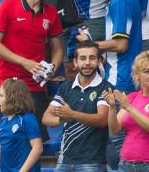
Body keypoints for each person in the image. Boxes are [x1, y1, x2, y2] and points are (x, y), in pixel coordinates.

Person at [0, 0, 64, 155]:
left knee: (34, 142)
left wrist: (52, 67)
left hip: (35, 86)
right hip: (5, 82)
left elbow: (58, 49)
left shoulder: (51, 13)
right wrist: (25, 62)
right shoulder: (8, 6)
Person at [43, 41, 111, 172]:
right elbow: (46, 118)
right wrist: (61, 120)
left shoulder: (105, 87)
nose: (87, 63)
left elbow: (102, 120)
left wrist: (71, 114)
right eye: (82, 58)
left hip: (92, 162)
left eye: (92, 58)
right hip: (64, 161)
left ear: (99, 61)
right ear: (75, 62)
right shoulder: (66, 87)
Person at [105, 51, 149, 172]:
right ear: (136, 75)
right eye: (147, 71)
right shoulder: (132, 97)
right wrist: (112, 108)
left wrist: (129, 107)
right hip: (126, 163)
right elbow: (115, 129)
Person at [82, 0, 141, 94]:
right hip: (124, 74)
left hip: (121, 78)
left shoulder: (120, 2)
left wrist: (89, 44)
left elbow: (120, 45)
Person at [0, 78, 44, 172]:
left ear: (12, 98)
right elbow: (2, 146)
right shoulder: (3, 119)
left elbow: (37, 148)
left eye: (1, 96)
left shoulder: (27, 118)